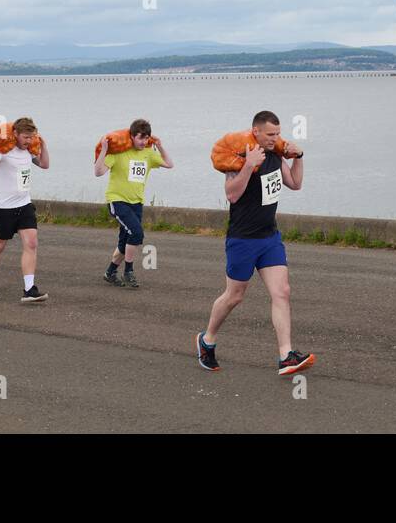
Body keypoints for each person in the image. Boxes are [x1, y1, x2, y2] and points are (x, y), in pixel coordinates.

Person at [196, 111, 314, 376]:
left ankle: (286, 356)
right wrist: (249, 165)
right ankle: (207, 339)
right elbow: (232, 195)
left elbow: (295, 183)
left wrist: (299, 157)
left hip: (269, 237)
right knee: (234, 296)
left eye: (278, 133)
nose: (276, 138)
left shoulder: (275, 155)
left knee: (282, 291)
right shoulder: (238, 156)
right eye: (270, 134)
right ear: (256, 132)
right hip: (242, 239)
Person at [95, 119, 173, 287]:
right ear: (131, 137)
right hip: (117, 200)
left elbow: (169, 164)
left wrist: (159, 146)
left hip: (136, 203)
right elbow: (98, 172)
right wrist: (104, 150)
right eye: (140, 138)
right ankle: (128, 271)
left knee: (125, 242)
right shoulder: (118, 153)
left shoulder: (148, 154)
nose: (143, 142)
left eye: (146, 139)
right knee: (137, 233)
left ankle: (110, 272)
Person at [0, 117, 49, 303]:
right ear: (16, 134)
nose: (28, 140)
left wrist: (44, 145)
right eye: (25, 137)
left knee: (32, 243)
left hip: (24, 205)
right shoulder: (5, 150)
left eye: (31, 137)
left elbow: (44, 164)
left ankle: (29, 289)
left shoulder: (29, 151)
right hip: (4, 208)